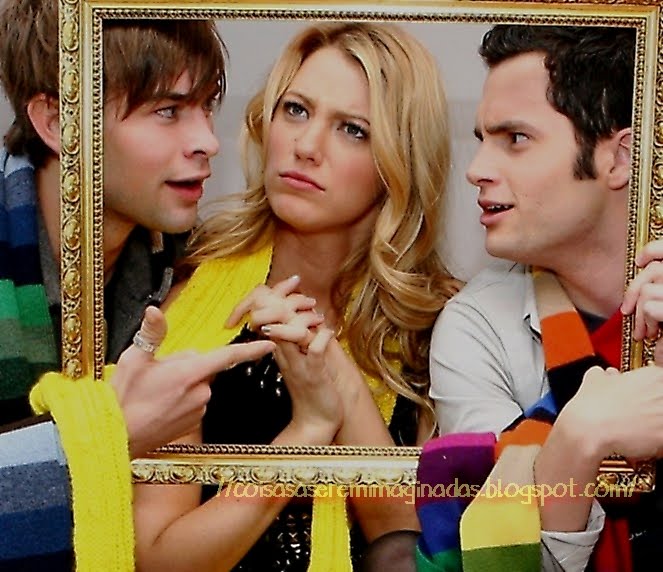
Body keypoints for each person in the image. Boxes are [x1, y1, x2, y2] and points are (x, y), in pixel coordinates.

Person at [132, 21, 459, 572]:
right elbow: (158, 559)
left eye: (352, 129)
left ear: (399, 161)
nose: (306, 146)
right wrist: (306, 431)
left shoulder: (437, 323)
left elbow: (412, 548)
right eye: (296, 110)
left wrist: (334, 370)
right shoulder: (199, 300)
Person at [0, 1, 275, 569]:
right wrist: (104, 435)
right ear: (58, 122)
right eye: (167, 111)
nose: (208, 141)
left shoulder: (191, 271)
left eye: (206, 106)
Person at [418, 24, 663, 572]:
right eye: (483, 139)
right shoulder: (476, 326)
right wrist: (579, 437)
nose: (476, 170)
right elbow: (495, 558)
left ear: (620, 157)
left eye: (516, 139)